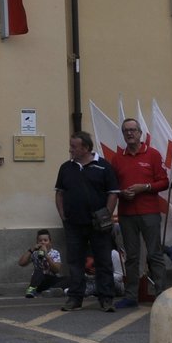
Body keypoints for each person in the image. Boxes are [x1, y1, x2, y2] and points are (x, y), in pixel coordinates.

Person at [107, 117, 172, 308]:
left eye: (133, 130)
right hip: (127, 212)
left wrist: (144, 187)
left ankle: (161, 293)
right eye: (126, 131)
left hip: (149, 211)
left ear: (140, 133)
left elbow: (164, 182)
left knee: (155, 254)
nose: (129, 133)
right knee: (132, 256)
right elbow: (113, 185)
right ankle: (131, 296)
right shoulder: (117, 158)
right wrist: (123, 193)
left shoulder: (152, 154)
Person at [55, 131, 119, 312]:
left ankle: (106, 298)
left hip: (98, 224)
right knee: (75, 261)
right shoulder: (66, 168)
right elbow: (59, 193)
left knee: (103, 260)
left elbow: (113, 193)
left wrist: (106, 214)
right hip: (74, 223)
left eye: (74, 146)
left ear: (85, 148)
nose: (70, 149)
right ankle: (75, 297)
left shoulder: (104, 167)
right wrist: (62, 214)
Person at [18, 229, 62, 298]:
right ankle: (31, 290)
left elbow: (56, 270)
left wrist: (46, 255)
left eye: (45, 240)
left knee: (67, 278)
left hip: (51, 279)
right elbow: (21, 263)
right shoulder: (35, 253)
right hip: (39, 281)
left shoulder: (55, 253)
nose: (43, 243)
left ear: (50, 242)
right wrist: (31, 250)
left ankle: (52, 291)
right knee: (38, 270)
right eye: (40, 241)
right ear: (37, 242)